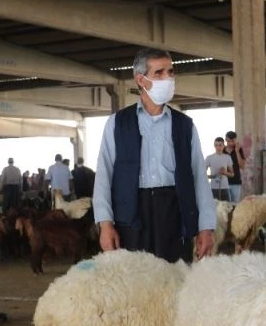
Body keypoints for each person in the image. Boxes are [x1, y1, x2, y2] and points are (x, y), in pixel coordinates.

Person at [92, 47, 216, 263]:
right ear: (141, 80)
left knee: (175, 282)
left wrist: (206, 227)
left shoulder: (185, 126)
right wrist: (105, 224)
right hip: (131, 217)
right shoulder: (118, 123)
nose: (167, 78)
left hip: (174, 215)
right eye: (159, 73)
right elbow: (104, 175)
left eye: (171, 72)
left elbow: (198, 176)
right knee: (134, 283)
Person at [205, 137, 233, 201]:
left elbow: (232, 174)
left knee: (227, 208)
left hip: (225, 188)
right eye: (216, 145)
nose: (218, 147)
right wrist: (214, 176)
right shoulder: (209, 158)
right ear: (214, 146)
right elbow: (203, 174)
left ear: (223, 146)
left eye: (220, 145)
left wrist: (225, 172)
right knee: (213, 208)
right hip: (213, 188)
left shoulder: (227, 157)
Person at [223, 131, 246, 202]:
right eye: (228, 141)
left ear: (236, 140)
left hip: (235, 182)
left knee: (235, 205)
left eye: (233, 141)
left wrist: (237, 151)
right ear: (225, 140)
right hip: (224, 182)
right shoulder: (222, 150)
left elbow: (242, 166)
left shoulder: (239, 150)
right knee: (224, 206)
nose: (230, 143)